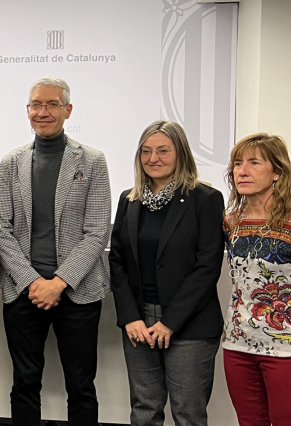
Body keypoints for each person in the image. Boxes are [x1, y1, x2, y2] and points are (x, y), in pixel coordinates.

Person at [0, 76, 111, 426]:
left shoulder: (91, 161)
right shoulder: (11, 162)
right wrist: (33, 282)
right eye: (36, 105)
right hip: (22, 292)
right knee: (25, 383)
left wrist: (58, 282)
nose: (43, 112)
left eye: (52, 104)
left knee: (81, 386)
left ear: (67, 110)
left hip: (77, 292)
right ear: (27, 110)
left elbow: (96, 232)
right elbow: (0, 229)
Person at [108, 121, 225, 426]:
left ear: (181, 153)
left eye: (163, 150)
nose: (153, 158)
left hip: (190, 325)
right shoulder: (129, 200)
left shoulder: (206, 199)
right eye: (145, 151)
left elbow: (207, 267)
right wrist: (130, 317)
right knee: (144, 410)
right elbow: (117, 262)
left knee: (188, 414)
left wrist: (170, 322)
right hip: (139, 321)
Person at [222, 133, 291, 426]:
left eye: (254, 163)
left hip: (288, 352)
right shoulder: (230, 222)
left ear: (277, 172)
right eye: (237, 164)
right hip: (238, 349)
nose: (242, 171)